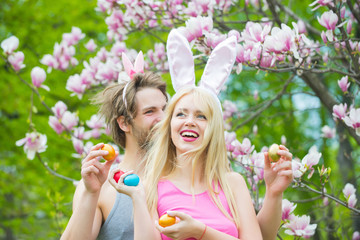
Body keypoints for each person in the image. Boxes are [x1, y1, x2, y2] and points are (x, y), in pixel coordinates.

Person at [108, 29, 293, 240]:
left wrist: (200, 231)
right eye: (181, 114)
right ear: (169, 126)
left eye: (201, 116)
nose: (190, 121)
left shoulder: (232, 183)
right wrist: (138, 198)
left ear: (213, 128)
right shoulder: (151, 185)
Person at [60, 51, 168, 240]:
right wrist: (91, 193)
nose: (163, 119)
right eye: (150, 112)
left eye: (165, 109)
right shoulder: (102, 188)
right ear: (124, 123)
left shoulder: (186, 177)